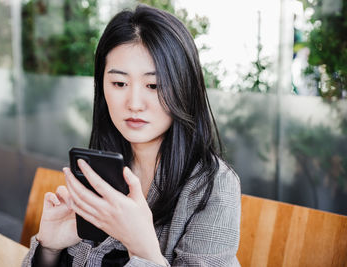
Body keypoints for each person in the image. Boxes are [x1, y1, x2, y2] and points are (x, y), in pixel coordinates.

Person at [22, 4, 241, 267]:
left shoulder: (213, 186)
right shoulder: (101, 166)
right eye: (119, 84)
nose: (134, 103)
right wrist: (49, 247)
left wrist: (142, 247)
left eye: (153, 85)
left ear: (185, 87)